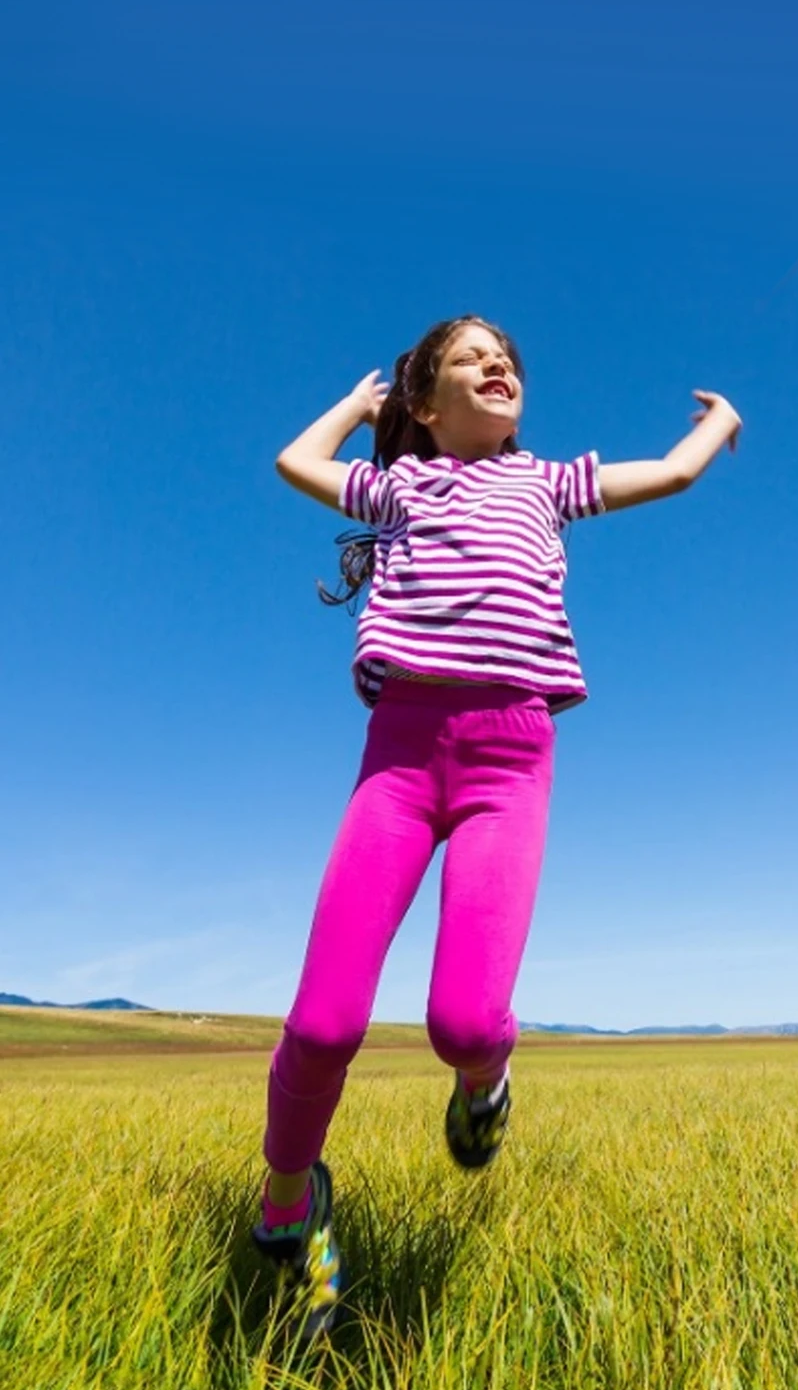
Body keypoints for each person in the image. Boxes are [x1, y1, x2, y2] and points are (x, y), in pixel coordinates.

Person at [253, 312, 741, 1335]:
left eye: (508, 358)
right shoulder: (396, 487)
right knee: (322, 1023)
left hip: (509, 757)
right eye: (472, 359)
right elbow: (295, 460)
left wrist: (718, 424)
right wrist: (356, 404)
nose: (498, 365)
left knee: (465, 1023)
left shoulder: (547, 481)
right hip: (396, 757)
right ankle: (293, 1209)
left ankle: (488, 1081)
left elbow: (668, 476)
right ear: (424, 406)